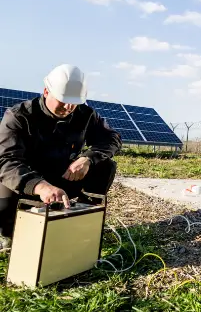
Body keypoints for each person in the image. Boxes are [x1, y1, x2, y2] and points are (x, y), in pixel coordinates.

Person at [0, 64, 122, 249]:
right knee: (3, 184)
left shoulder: (85, 115)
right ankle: (8, 235)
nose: (68, 107)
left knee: (106, 166)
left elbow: (112, 139)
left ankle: (82, 219)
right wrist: (39, 186)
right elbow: (6, 161)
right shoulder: (19, 117)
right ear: (46, 91)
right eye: (63, 100)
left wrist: (88, 158)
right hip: (27, 184)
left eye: (74, 101)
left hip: (64, 178)